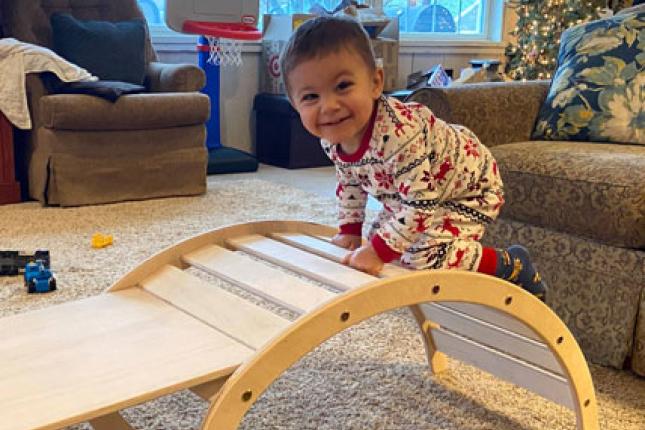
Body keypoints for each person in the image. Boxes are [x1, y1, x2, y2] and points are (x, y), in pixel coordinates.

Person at [279, 15, 547, 299]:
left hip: (470, 189)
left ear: (375, 82)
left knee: (420, 256)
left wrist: (379, 251)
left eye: (343, 86)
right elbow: (350, 181)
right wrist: (350, 229)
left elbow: (422, 204)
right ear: (294, 105)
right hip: (418, 188)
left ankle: (512, 265)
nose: (329, 106)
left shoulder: (398, 134)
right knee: (381, 242)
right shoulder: (332, 137)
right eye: (310, 97)